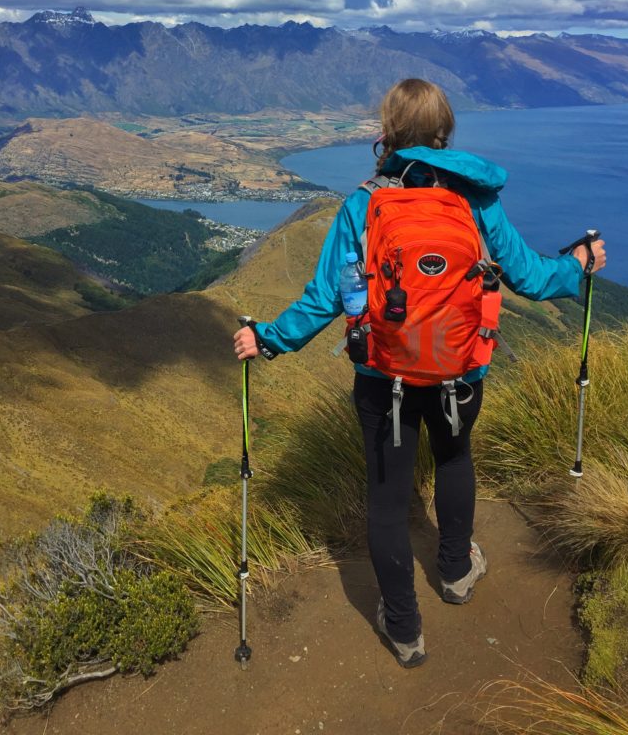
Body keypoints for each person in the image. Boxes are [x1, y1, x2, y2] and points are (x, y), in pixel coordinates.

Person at [232, 78, 606, 669]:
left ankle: (404, 629)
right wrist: (579, 263)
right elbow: (532, 278)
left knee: (386, 500)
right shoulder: (476, 200)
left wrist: (267, 340)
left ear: (387, 133)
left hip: (385, 379)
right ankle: (456, 571)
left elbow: (324, 298)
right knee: (455, 460)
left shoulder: (364, 203)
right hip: (462, 373)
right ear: (445, 132)